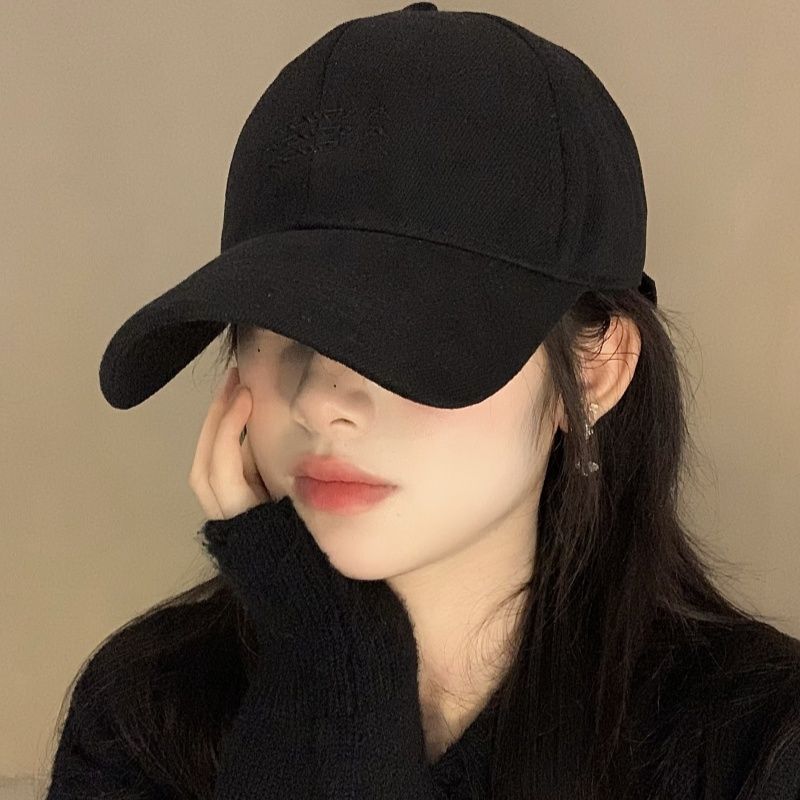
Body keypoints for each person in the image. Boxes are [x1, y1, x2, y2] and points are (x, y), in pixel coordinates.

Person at [45, 4, 800, 799]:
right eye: (285, 324)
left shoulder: (756, 750)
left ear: (596, 370)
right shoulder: (146, 714)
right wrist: (326, 659)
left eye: (412, 333)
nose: (322, 401)